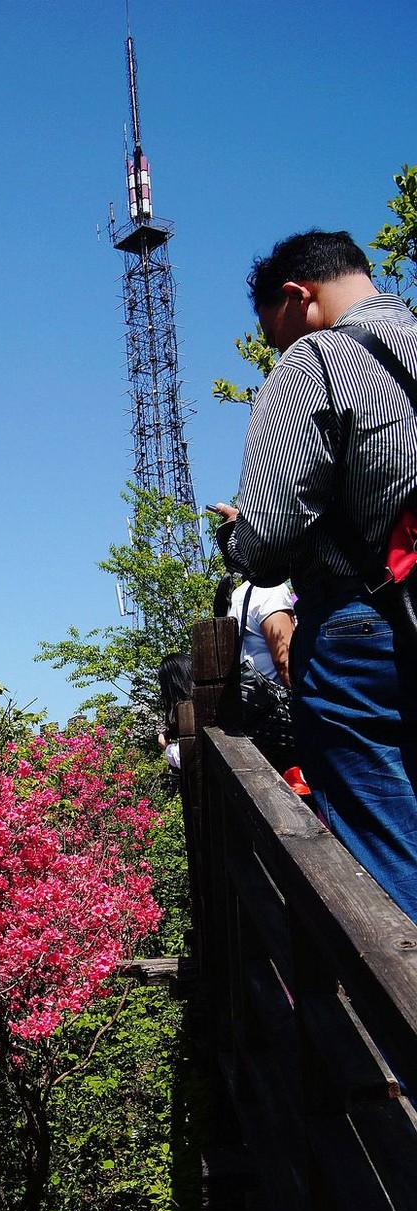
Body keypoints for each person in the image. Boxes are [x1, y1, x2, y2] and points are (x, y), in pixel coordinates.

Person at [212, 229, 417, 919]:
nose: (278, 348)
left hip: (371, 628)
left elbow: (265, 541)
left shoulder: (316, 361)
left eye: (274, 333)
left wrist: (235, 536)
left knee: (390, 843)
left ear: (297, 296)